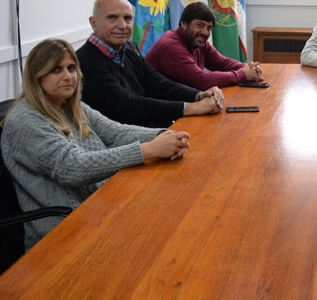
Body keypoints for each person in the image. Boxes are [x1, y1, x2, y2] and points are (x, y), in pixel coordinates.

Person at [0, 39, 192, 249]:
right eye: (56, 69)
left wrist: (165, 136)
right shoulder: (25, 122)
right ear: (37, 77)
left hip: (100, 203)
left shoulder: (69, 104)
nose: (68, 76)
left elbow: (115, 132)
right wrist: (148, 149)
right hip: (63, 232)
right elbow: (73, 166)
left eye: (71, 68)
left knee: (174, 214)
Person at [76, 0, 224, 128]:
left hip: (149, 127)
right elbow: (127, 106)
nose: (122, 26)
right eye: (112, 18)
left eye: (127, 18)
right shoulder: (85, 62)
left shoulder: (128, 48)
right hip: (124, 140)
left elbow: (158, 84)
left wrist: (198, 95)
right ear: (94, 23)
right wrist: (193, 107)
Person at [145, 2, 263, 90]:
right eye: (200, 25)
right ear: (183, 24)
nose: (206, 32)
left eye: (209, 28)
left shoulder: (197, 42)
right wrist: (243, 74)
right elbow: (202, 80)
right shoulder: (171, 46)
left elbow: (221, 62)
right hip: (157, 111)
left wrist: (247, 67)